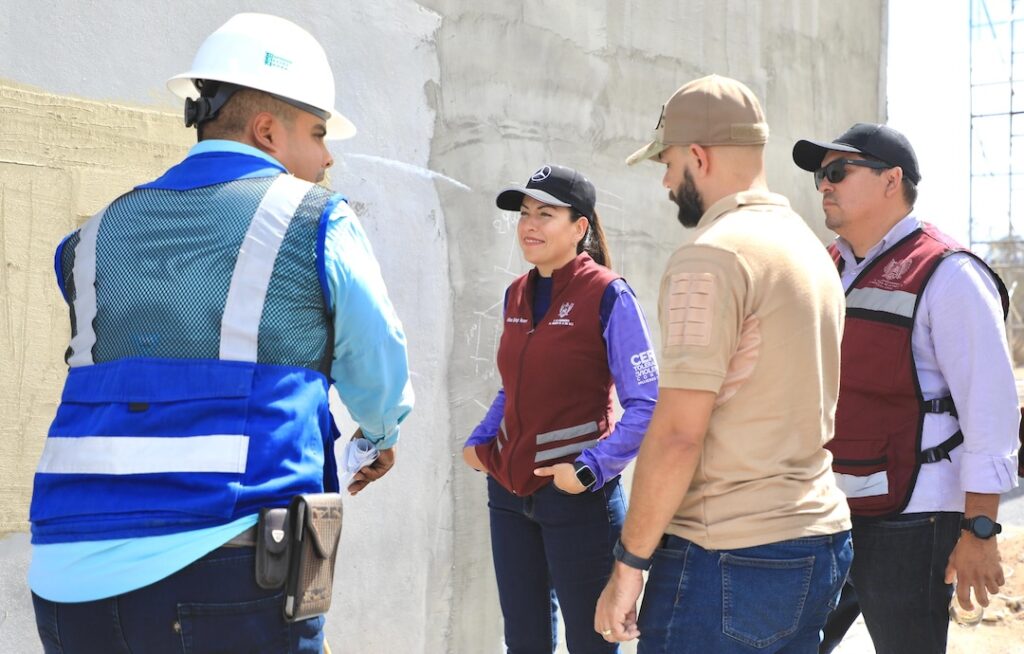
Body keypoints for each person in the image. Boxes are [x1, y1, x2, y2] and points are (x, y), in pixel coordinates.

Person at [27, 13, 413, 653]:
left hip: (69, 579)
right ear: (267, 131)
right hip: (227, 563)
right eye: (317, 133)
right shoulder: (314, 218)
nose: (327, 156)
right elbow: (377, 360)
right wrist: (378, 435)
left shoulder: (92, 236)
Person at [594, 74, 853, 653]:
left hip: (729, 554)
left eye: (666, 161)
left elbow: (679, 433)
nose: (664, 180)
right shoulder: (809, 249)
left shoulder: (712, 257)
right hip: (815, 539)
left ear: (699, 156)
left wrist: (629, 564)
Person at [791, 123, 1020, 654]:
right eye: (820, 176)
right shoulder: (824, 269)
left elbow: (991, 411)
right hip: (825, 511)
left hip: (912, 521)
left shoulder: (950, 274)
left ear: (892, 179)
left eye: (837, 171)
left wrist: (980, 528)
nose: (824, 185)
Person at [462, 163, 658, 653]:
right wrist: (481, 440)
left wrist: (588, 470)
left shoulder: (608, 294)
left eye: (545, 214)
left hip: (576, 499)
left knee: (593, 644)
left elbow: (647, 403)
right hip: (508, 494)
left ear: (580, 227)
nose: (529, 224)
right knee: (524, 644)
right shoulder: (516, 293)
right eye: (524, 213)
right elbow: (514, 387)